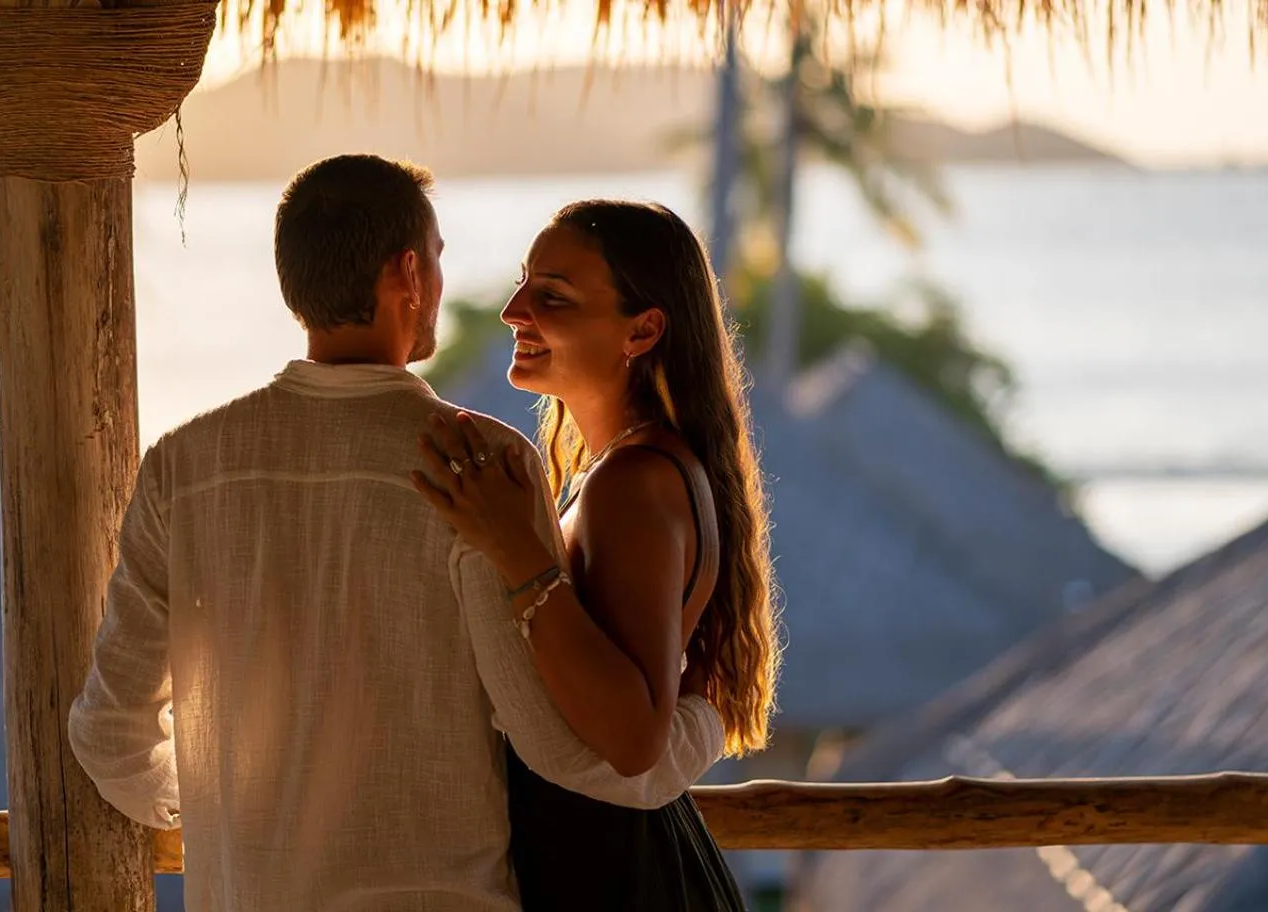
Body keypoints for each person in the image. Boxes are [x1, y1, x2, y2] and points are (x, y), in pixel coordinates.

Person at [67, 156, 727, 912]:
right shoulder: (473, 463)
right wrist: (702, 721)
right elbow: (553, 746)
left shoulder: (179, 468)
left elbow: (110, 738)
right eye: (440, 259)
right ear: (409, 274)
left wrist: (238, 800)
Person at [414, 199, 780, 910]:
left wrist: (518, 555)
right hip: (612, 856)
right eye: (524, 283)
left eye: (552, 296)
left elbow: (633, 738)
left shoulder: (632, 483)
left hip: (617, 873)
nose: (513, 310)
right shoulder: (620, 470)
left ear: (641, 331)